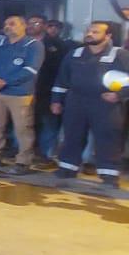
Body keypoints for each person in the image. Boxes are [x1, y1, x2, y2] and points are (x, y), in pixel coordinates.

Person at [51, 21, 129, 189]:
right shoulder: (75, 54)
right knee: (72, 135)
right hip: (75, 101)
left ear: (108, 36)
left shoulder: (120, 55)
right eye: (89, 31)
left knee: (108, 138)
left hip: (106, 104)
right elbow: (61, 79)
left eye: (95, 32)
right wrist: (56, 100)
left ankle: (109, 174)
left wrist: (119, 95)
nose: (90, 34)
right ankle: (67, 168)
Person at [0, 15, 43, 175]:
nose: (8, 26)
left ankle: (23, 161)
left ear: (24, 26)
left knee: (23, 128)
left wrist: (5, 82)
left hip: (19, 94)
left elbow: (30, 70)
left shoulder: (33, 45)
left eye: (12, 24)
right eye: (6, 24)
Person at [33, 18, 73, 170]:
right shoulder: (26, 44)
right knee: (30, 123)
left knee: (49, 124)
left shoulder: (61, 46)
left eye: (56, 27)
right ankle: (27, 152)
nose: (53, 29)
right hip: (29, 90)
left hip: (50, 90)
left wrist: (58, 95)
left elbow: (62, 71)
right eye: (50, 26)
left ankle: (47, 155)